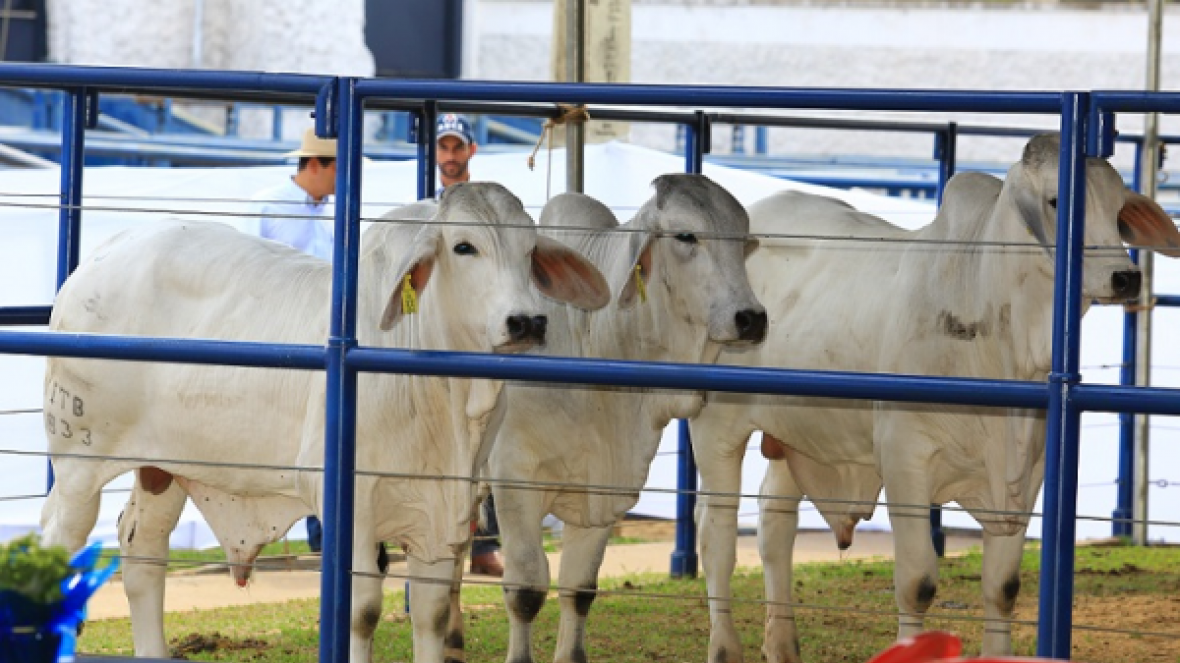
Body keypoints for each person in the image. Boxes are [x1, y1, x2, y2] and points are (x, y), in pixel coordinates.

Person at [250, 127, 338, 553]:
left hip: (323, 335)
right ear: (316, 165)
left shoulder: (326, 208)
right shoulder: (272, 205)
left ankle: (323, 531)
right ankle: (316, 529)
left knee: (321, 433)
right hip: (288, 335)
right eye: (337, 167)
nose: (342, 178)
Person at [433, 113, 504, 577]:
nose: (451, 156)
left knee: (484, 441)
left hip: (478, 338)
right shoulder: (426, 207)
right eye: (444, 147)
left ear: (471, 151)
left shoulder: (491, 208)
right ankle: (436, 546)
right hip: (437, 339)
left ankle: (481, 546)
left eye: (458, 147)